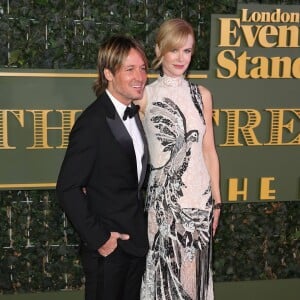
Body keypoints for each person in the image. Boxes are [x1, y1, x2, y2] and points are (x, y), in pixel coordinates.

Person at [56, 35, 149, 300]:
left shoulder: (134, 113)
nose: (139, 76)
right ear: (108, 73)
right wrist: (101, 239)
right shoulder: (93, 122)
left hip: (135, 246)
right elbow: (68, 188)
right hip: (108, 251)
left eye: (142, 68)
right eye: (129, 69)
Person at [138, 19, 222, 300]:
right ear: (159, 49)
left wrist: (217, 201)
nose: (181, 58)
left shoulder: (202, 96)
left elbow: (208, 151)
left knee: (195, 281)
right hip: (163, 205)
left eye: (187, 51)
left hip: (199, 203)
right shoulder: (144, 96)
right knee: (164, 278)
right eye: (174, 50)